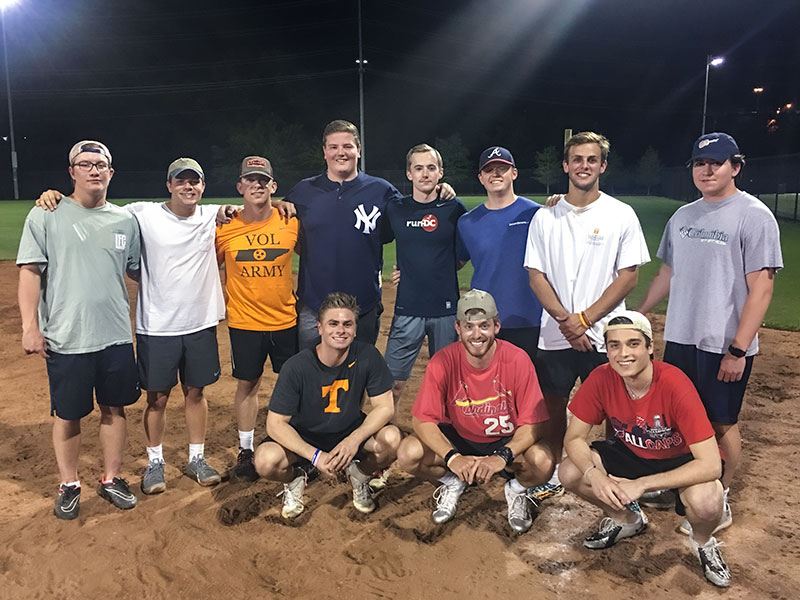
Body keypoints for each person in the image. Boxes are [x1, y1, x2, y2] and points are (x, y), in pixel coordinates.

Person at [36, 158, 233, 494]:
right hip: (156, 325)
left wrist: (279, 203)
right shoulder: (142, 213)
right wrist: (55, 196)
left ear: (203, 186)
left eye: (194, 181)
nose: (188, 187)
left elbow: (252, 206)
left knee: (196, 392)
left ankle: (197, 457)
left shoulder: (209, 214)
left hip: (200, 321)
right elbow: (96, 208)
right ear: (168, 185)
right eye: (180, 181)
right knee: (157, 399)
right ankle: (155, 461)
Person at [638, 132, 783, 533]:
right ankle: (681, 485)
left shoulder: (754, 215)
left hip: (724, 344)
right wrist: (638, 312)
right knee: (680, 419)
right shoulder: (683, 216)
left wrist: (738, 350)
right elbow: (667, 273)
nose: (707, 170)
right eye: (700, 164)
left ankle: (719, 499)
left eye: (716, 163)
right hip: (681, 337)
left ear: (735, 167)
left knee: (721, 422)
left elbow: (762, 289)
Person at [559, 312, 732, 588]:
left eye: (633, 344)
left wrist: (642, 485)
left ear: (650, 347)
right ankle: (627, 520)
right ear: (607, 350)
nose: (623, 354)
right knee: (570, 471)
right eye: (614, 345)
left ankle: (703, 542)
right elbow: (574, 438)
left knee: (707, 501)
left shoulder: (675, 384)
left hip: (681, 459)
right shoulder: (601, 378)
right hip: (633, 452)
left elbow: (710, 464)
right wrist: (595, 475)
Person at [523, 132, 650, 504]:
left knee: (617, 408)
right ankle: (554, 471)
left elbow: (628, 276)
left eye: (592, 159)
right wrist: (568, 321)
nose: (584, 166)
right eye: (577, 159)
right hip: (556, 332)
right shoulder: (545, 216)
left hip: (608, 334)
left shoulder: (621, 214)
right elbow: (536, 276)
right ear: (566, 165)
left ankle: (619, 472)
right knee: (553, 403)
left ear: (603, 166)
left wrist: (584, 319)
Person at [18, 140, 141, 519]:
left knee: (114, 408)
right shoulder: (45, 214)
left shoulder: (125, 220)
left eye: (100, 164)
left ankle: (111, 478)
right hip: (66, 336)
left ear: (111, 172)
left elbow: (137, 269)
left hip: (115, 334)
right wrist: (30, 327)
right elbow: (30, 271)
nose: (94, 170)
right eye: (85, 164)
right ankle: (69, 483)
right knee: (68, 413)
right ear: (72, 172)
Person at [278, 120, 455, 350]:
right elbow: (269, 216)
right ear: (324, 152)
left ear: (358, 150)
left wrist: (438, 189)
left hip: (363, 306)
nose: (341, 152)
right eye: (333, 147)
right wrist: (272, 204)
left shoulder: (381, 191)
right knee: (309, 369)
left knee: (359, 370)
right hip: (314, 306)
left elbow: (415, 215)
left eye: (347, 146)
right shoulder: (303, 191)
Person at [396, 289, 553, 533]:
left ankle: (516, 490)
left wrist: (502, 455)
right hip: (460, 439)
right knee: (408, 453)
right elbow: (422, 420)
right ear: (458, 328)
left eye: (484, 326)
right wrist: (452, 457)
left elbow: (534, 422)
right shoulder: (442, 361)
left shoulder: (518, 359)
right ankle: (453, 482)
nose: (476, 334)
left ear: (496, 326)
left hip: (504, 440)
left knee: (542, 462)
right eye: (469, 327)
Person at [253, 292, 401, 519]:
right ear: (320, 328)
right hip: (305, 436)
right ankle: (294, 478)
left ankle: (359, 474)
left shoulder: (368, 356)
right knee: (265, 461)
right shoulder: (297, 366)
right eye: (333, 324)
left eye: (347, 324)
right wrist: (315, 457)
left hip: (348, 430)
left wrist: (354, 440)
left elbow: (385, 407)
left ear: (355, 329)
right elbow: (275, 424)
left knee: (392, 440)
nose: (341, 330)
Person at [215, 156, 299, 480]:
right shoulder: (225, 227)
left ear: (273, 186)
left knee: (292, 384)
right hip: (244, 322)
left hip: (285, 319)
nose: (257, 184)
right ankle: (246, 450)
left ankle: (294, 443)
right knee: (247, 384)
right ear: (240, 187)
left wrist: (280, 205)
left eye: (263, 180)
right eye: (250, 179)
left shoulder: (290, 220)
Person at [382, 144, 466, 418]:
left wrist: (435, 270)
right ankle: (388, 433)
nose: (425, 174)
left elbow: (464, 253)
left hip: (446, 311)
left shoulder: (454, 208)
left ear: (440, 172)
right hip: (408, 308)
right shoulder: (396, 209)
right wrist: (404, 270)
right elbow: (374, 240)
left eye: (431, 168)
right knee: (393, 383)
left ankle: (446, 433)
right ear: (409, 174)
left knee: (448, 383)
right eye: (418, 168)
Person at [456, 146, 543, 366]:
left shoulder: (538, 214)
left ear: (514, 173)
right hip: (484, 320)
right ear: (481, 178)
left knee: (533, 383)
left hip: (531, 317)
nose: (495, 174)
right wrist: (409, 270)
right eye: (489, 170)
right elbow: (455, 262)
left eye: (502, 168)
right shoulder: (467, 222)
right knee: (488, 383)